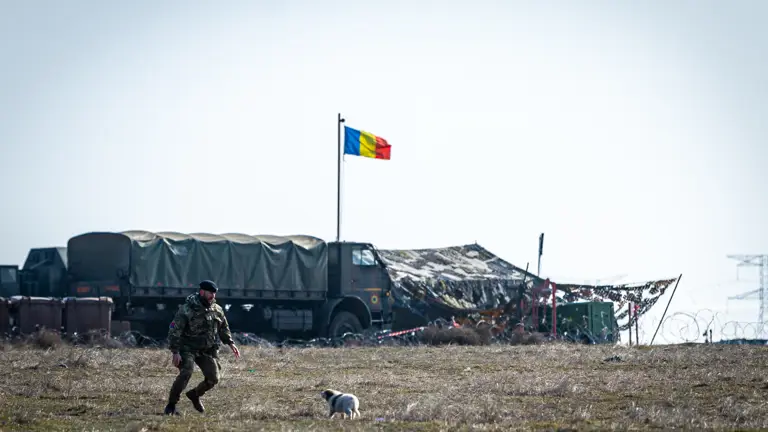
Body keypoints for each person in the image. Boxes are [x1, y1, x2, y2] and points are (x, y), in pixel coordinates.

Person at [164, 280, 240, 415]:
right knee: (186, 372)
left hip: (206, 350)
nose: (213, 296)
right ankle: (171, 405)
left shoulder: (217, 309)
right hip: (187, 348)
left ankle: (195, 394)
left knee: (214, 378)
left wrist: (230, 342)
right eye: (210, 293)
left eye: (214, 293)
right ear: (202, 292)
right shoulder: (187, 309)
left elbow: (223, 327)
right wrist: (175, 351)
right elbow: (174, 330)